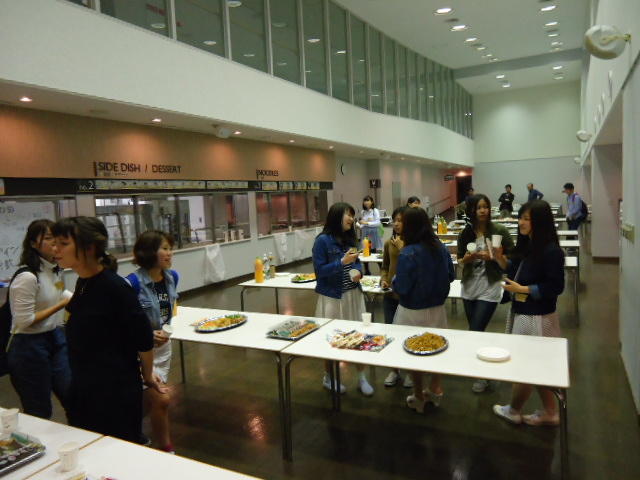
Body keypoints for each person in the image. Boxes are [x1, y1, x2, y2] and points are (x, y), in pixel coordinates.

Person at [52, 217, 166, 442]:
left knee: (117, 449)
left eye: (63, 243)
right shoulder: (83, 283)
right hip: (84, 387)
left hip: (114, 393)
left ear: (89, 248)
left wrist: (147, 374)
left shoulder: (115, 288)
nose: (55, 249)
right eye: (55, 243)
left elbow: (143, 338)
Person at [492, 200, 565, 426]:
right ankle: (550, 412)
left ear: (540, 222)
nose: (521, 223)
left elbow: (556, 286)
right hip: (524, 312)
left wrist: (522, 289)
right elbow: (514, 271)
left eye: (526, 219)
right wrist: (499, 258)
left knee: (526, 366)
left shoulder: (551, 251)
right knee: (537, 366)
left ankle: (514, 410)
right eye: (520, 218)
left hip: (537, 316)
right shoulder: (527, 245)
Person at [7, 219, 72, 419]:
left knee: (72, 395)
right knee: (39, 409)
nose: (55, 244)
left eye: (58, 239)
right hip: (28, 346)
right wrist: (62, 305)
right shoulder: (27, 277)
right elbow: (24, 321)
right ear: (33, 243)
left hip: (55, 337)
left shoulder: (54, 269)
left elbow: (59, 293)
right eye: (49, 238)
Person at [393, 207, 455, 413]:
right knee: (438, 348)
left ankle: (419, 395)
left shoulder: (408, 252)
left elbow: (402, 287)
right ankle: (436, 388)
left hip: (412, 311)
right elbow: (451, 275)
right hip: (437, 309)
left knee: (414, 352)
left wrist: (393, 280)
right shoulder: (440, 247)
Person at [313, 203, 374, 396]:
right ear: (336, 216)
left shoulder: (350, 239)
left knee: (359, 336)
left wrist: (358, 273)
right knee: (332, 338)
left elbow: (356, 264)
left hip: (353, 295)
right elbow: (320, 271)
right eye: (348, 214)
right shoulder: (322, 241)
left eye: (352, 215)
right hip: (332, 297)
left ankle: (362, 377)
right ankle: (329, 377)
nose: (351, 218)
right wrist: (341, 262)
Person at [126, 231, 178, 453]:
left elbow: (170, 309)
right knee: (161, 400)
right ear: (149, 252)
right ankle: (166, 448)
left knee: (149, 401)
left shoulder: (172, 277)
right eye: (164, 248)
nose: (169, 253)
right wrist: (148, 333)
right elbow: (123, 321)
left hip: (164, 349)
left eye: (170, 248)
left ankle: (133, 434)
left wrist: (165, 330)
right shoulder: (132, 283)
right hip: (141, 352)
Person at [457, 194, 514, 393]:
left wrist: (495, 257)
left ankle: (481, 375)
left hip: (490, 284)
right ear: (472, 211)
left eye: (486, 207)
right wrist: (468, 258)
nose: (483, 210)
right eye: (479, 207)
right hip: (469, 285)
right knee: (476, 331)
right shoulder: (466, 233)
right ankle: (482, 369)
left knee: (475, 329)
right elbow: (459, 260)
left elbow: (512, 257)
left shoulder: (499, 230)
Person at [379, 206, 412, 388]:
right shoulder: (388, 243)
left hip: (408, 296)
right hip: (391, 294)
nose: (397, 224)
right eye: (395, 220)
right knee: (391, 331)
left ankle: (411, 371)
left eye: (401, 220)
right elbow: (385, 266)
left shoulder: (414, 245)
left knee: (408, 333)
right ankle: (394, 369)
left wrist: (403, 247)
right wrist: (384, 279)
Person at [358, 195, 382, 275]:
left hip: (373, 233)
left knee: (374, 252)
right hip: (365, 233)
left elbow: (378, 223)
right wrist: (360, 225)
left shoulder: (375, 211)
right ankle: (367, 271)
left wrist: (366, 223)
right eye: (365, 201)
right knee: (365, 252)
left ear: (372, 202)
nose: (366, 202)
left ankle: (382, 269)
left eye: (368, 200)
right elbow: (363, 224)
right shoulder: (363, 212)